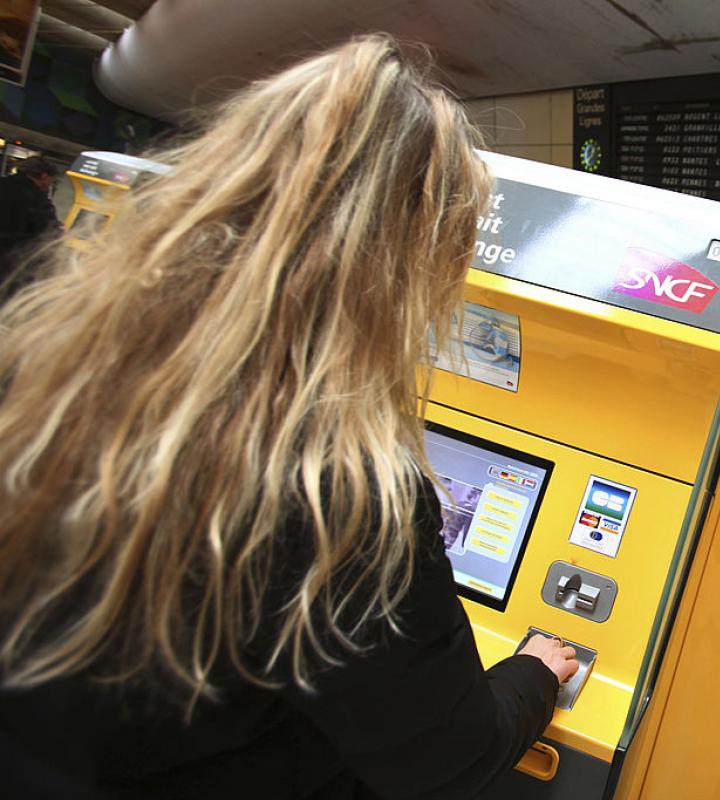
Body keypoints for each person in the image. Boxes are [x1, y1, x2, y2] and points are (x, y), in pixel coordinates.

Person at [0, 36, 578, 798]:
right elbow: (446, 754)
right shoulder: (335, 485)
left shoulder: (49, 356)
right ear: (404, 268)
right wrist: (533, 673)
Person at [0, 155, 61, 294]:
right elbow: (49, 234)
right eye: (52, 180)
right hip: (11, 263)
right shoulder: (37, 199)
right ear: (44, 176)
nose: (50, 184)